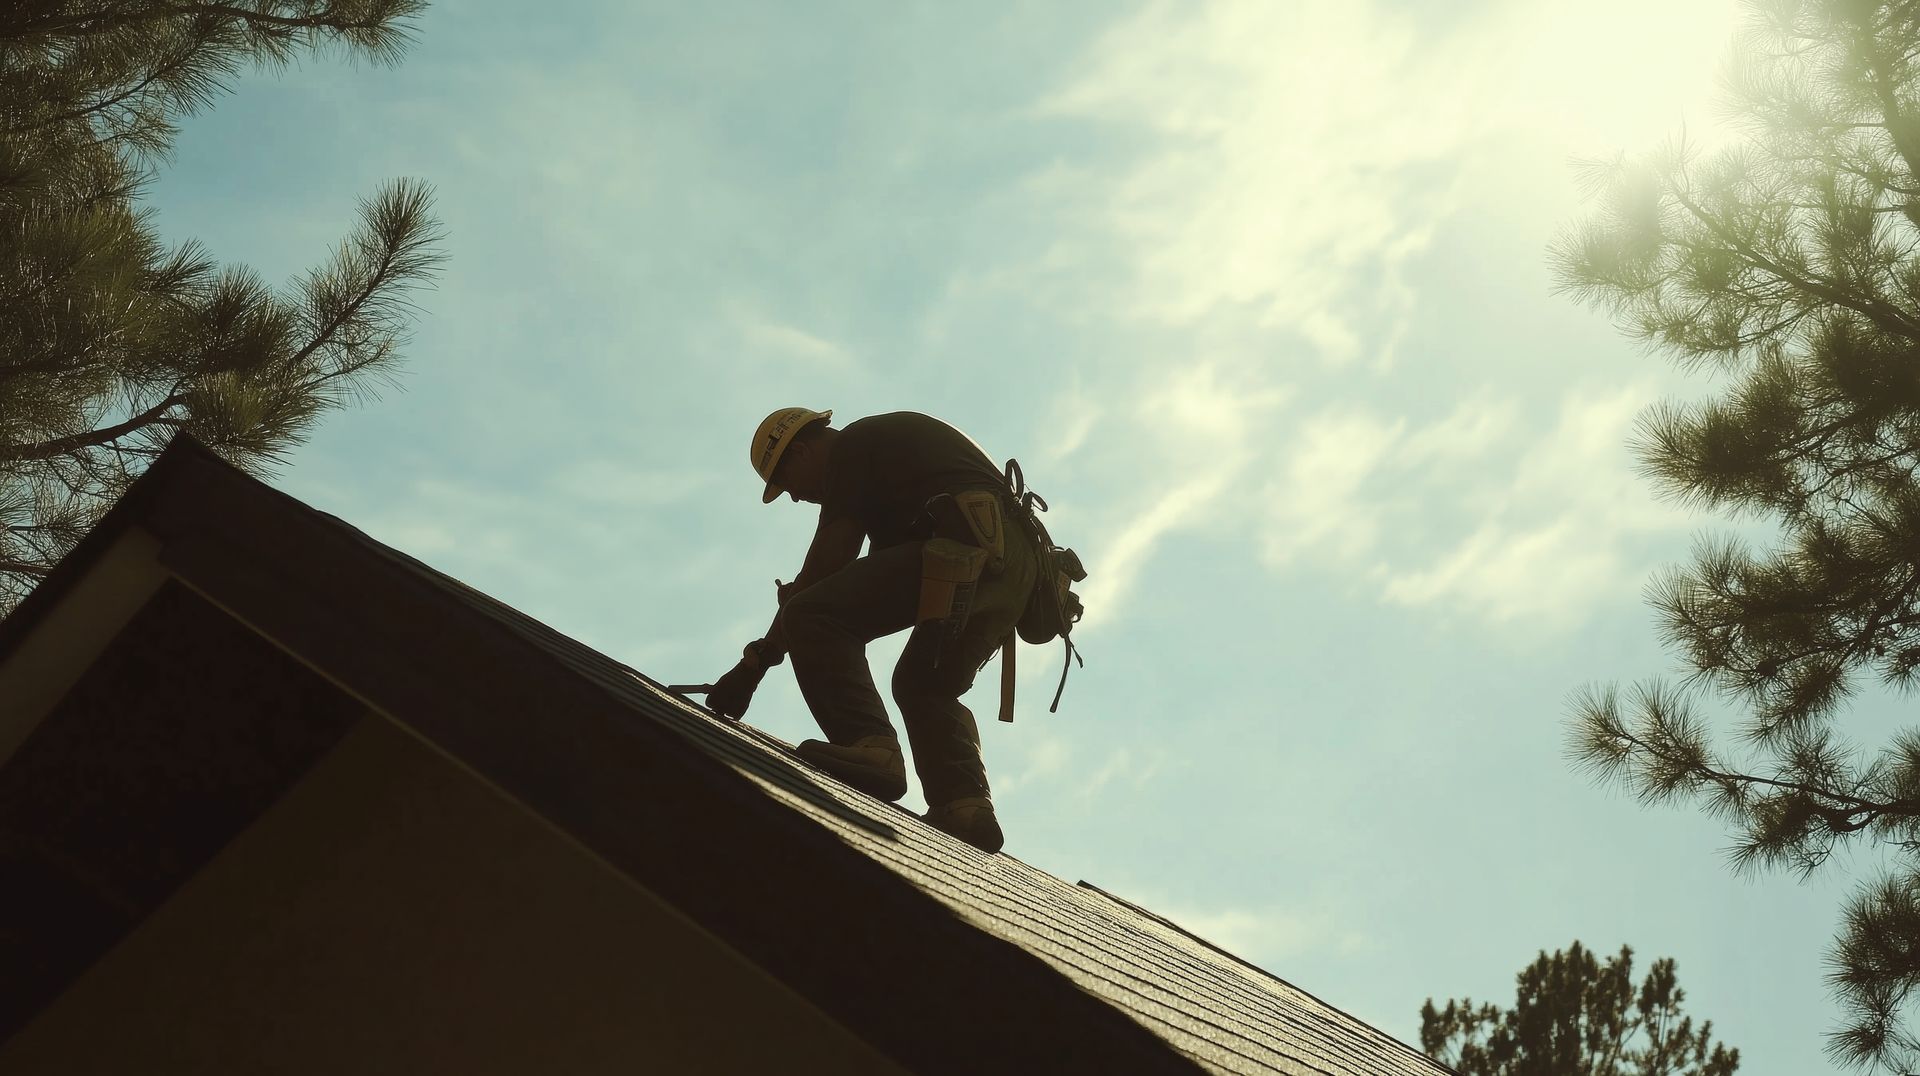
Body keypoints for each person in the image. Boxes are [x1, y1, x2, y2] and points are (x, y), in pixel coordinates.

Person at [705, 407, 1037, 853]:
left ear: (801, 452)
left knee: (812, 613)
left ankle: (870, 746)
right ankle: (964, 805)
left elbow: (828, 562)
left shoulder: (853, 447)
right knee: (924, 683)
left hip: (967, 543)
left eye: (788, 487)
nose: (797, 499)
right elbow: (857, 583)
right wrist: (760, 659)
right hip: (1010, 566)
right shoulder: (893, 478)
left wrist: (755, 664)